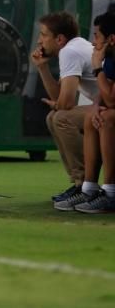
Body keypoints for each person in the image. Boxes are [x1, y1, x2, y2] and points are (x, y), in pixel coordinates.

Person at [31, 11, 99, 207]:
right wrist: (43, 68)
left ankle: (86, 185)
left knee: (61, 117)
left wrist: (59, 104)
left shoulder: (70, 51)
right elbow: (59, 98)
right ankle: (81, 183)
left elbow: (66, 103)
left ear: (59, 39)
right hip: (104, 107)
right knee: (54, 116)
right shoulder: (73, 47)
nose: (39, 40)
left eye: (44, 35)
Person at [56, 12, 115, 213]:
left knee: (107, 119)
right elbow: (106, 94)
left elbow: (113, 99)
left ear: (112, 39)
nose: (93, 41)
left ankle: (111, 193)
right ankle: (88, 188)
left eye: (97, 36)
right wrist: (97, 104)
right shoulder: (110, 58)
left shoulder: (100, 60)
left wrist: (97, 68)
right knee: (93, 115)